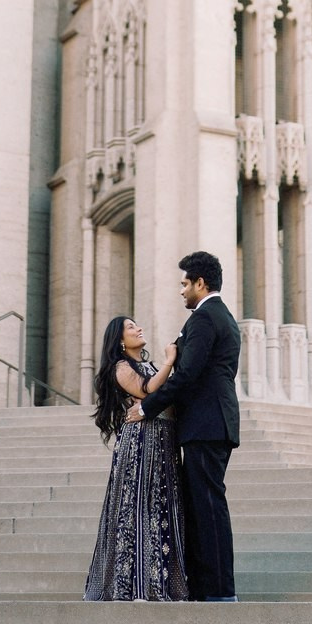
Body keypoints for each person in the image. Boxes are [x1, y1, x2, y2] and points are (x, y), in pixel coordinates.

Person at [125, 250, 241, 604]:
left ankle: (219, 592)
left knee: (207, 508)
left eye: (185, 284)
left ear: (200, 283)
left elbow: (188, 374)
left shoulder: (206, 318)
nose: (181, 291)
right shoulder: (218, 316)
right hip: (210, 422)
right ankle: (207, 589)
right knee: (203, 507)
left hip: (207, 424)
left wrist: (147, 406)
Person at [83, 315, 189, 602]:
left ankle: (163, 584)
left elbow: (161, 393)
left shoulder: (148, 366)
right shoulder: (120, 367)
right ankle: (134, 585)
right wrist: (170, 360)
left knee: (164, 507)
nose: (138, 328)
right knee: (137, 506)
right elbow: (147, 390)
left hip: (164, 441)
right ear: (119, 339)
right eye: (131, 327)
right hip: (141, 442)